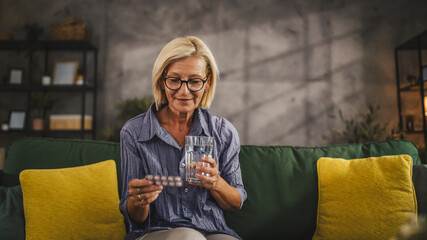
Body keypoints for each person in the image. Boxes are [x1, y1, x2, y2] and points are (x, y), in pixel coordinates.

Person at [119, 36, 247, 240]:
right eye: (174, 80)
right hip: (154, 232)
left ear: (208, 82)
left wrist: (216, 183)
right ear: (162, 81)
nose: (184, 91)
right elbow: (134, 217)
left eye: (194, 81)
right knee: (189, 237)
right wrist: (140, 200)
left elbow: (235, 203)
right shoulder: (134, 131)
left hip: (213, 230)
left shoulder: (223, 132)